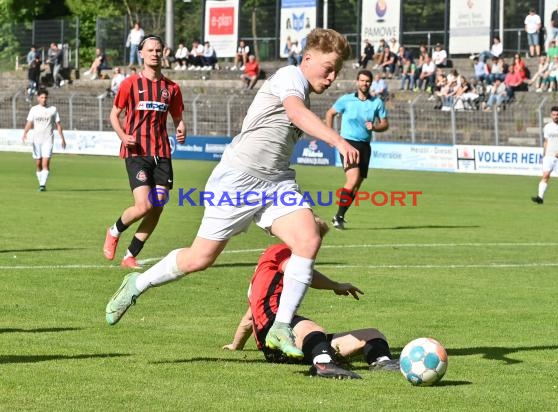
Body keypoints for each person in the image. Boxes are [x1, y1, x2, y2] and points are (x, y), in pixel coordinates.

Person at [104, 28, 359, 361]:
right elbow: (295, 112)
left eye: (337, 70)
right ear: (308, 58)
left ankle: (281, 328)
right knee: (200, 259)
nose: (333, 76)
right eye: (328, 67)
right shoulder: (289, 77)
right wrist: (338, 140)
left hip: (276, 183)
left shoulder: (303, 89)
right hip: (237, 181)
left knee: (308, 239)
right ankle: (137, 284)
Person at [222, 218, 399, 379]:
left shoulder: (266, 282)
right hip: (276, 337)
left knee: (372, 335)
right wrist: (335, 285)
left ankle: (382, 362)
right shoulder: (278, 251)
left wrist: (235, 345)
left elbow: (248, 318)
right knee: (313, 329)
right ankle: (323, 364)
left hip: (299, 342)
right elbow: (298, 270)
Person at [103, 34, 186, 269]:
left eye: (158, 50)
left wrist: (181, 128)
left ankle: (130, 255)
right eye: (150, 50)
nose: (154, 53)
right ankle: (114, 231)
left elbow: (178, 117)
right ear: (141, 53)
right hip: (136, 151)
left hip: (161, 153)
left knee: (158, 205)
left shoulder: (171, 88)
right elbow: (114, 114)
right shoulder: (130, 84)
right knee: (144, 205)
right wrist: (122, 135)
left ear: (164, 53)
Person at [325, 69, 389, 230]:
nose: (364, 83)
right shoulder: (346, 100)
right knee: (352, 180)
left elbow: (385, 124)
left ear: (371, 83)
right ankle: (338, 217)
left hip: (365, 146)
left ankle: (339, 215)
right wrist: (330, 135)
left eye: (367, 81)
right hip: (347, 143)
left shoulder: (377, 102)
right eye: (362, 80)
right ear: (357, 81)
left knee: (357, 185)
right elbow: (330, 113)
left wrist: (374, 127)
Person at [21, 89, 66, 191]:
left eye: (45, 97)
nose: (44, 99)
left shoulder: (53, 109)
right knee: (38, 164)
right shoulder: (34, 109)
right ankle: (41, 182)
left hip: (48, 140)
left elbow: (58, 125)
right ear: (38, 98)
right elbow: (29, 123)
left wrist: (63, 138)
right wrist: (25, 133)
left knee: (45, 164)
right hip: (37, 141)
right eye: (42, 97)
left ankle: (42, 186)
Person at [532, 106, 558, 205]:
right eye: (554, 115)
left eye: (557, 114)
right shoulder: (547, 127)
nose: (555, 116)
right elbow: (546, 141)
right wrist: (544, 155)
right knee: (545, 175)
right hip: (548, 155)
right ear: (551, 115)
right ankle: (540, 197)